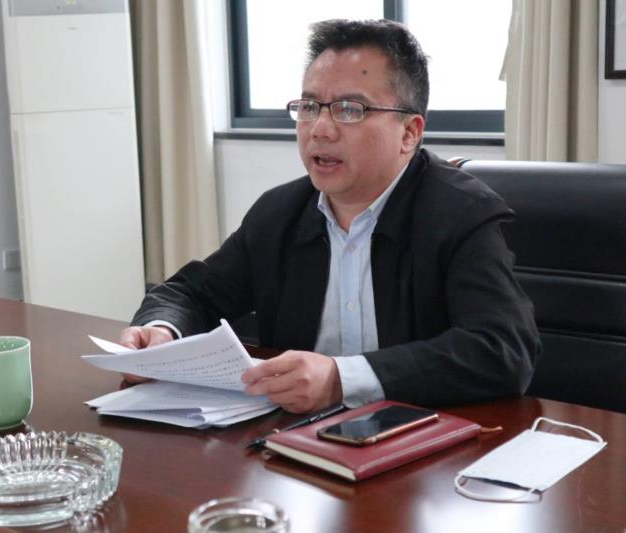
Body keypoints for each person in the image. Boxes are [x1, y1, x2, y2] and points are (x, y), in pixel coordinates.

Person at [120, 19, 540, 414]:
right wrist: (162, 331)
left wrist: (342, 379)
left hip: (424, 441)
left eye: (349, 109)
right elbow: (192, 293)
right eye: (309, 107)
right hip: (296, 440)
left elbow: (502, 350)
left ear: (409, 133)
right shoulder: (279, 214)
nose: (320, 128)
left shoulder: (461, 213)